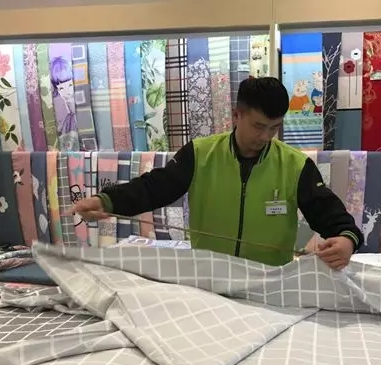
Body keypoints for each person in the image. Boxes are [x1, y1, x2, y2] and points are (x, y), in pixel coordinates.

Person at [69, 77, 364, 269]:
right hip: (209, 278)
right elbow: (155, 187)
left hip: (270, 281)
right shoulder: (200, 153)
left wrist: (347, 239)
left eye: (274, 128)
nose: (266, 137)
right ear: (236, 116)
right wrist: (107, 201)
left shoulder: (295, 165)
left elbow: (326, 210)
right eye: (259, 126)